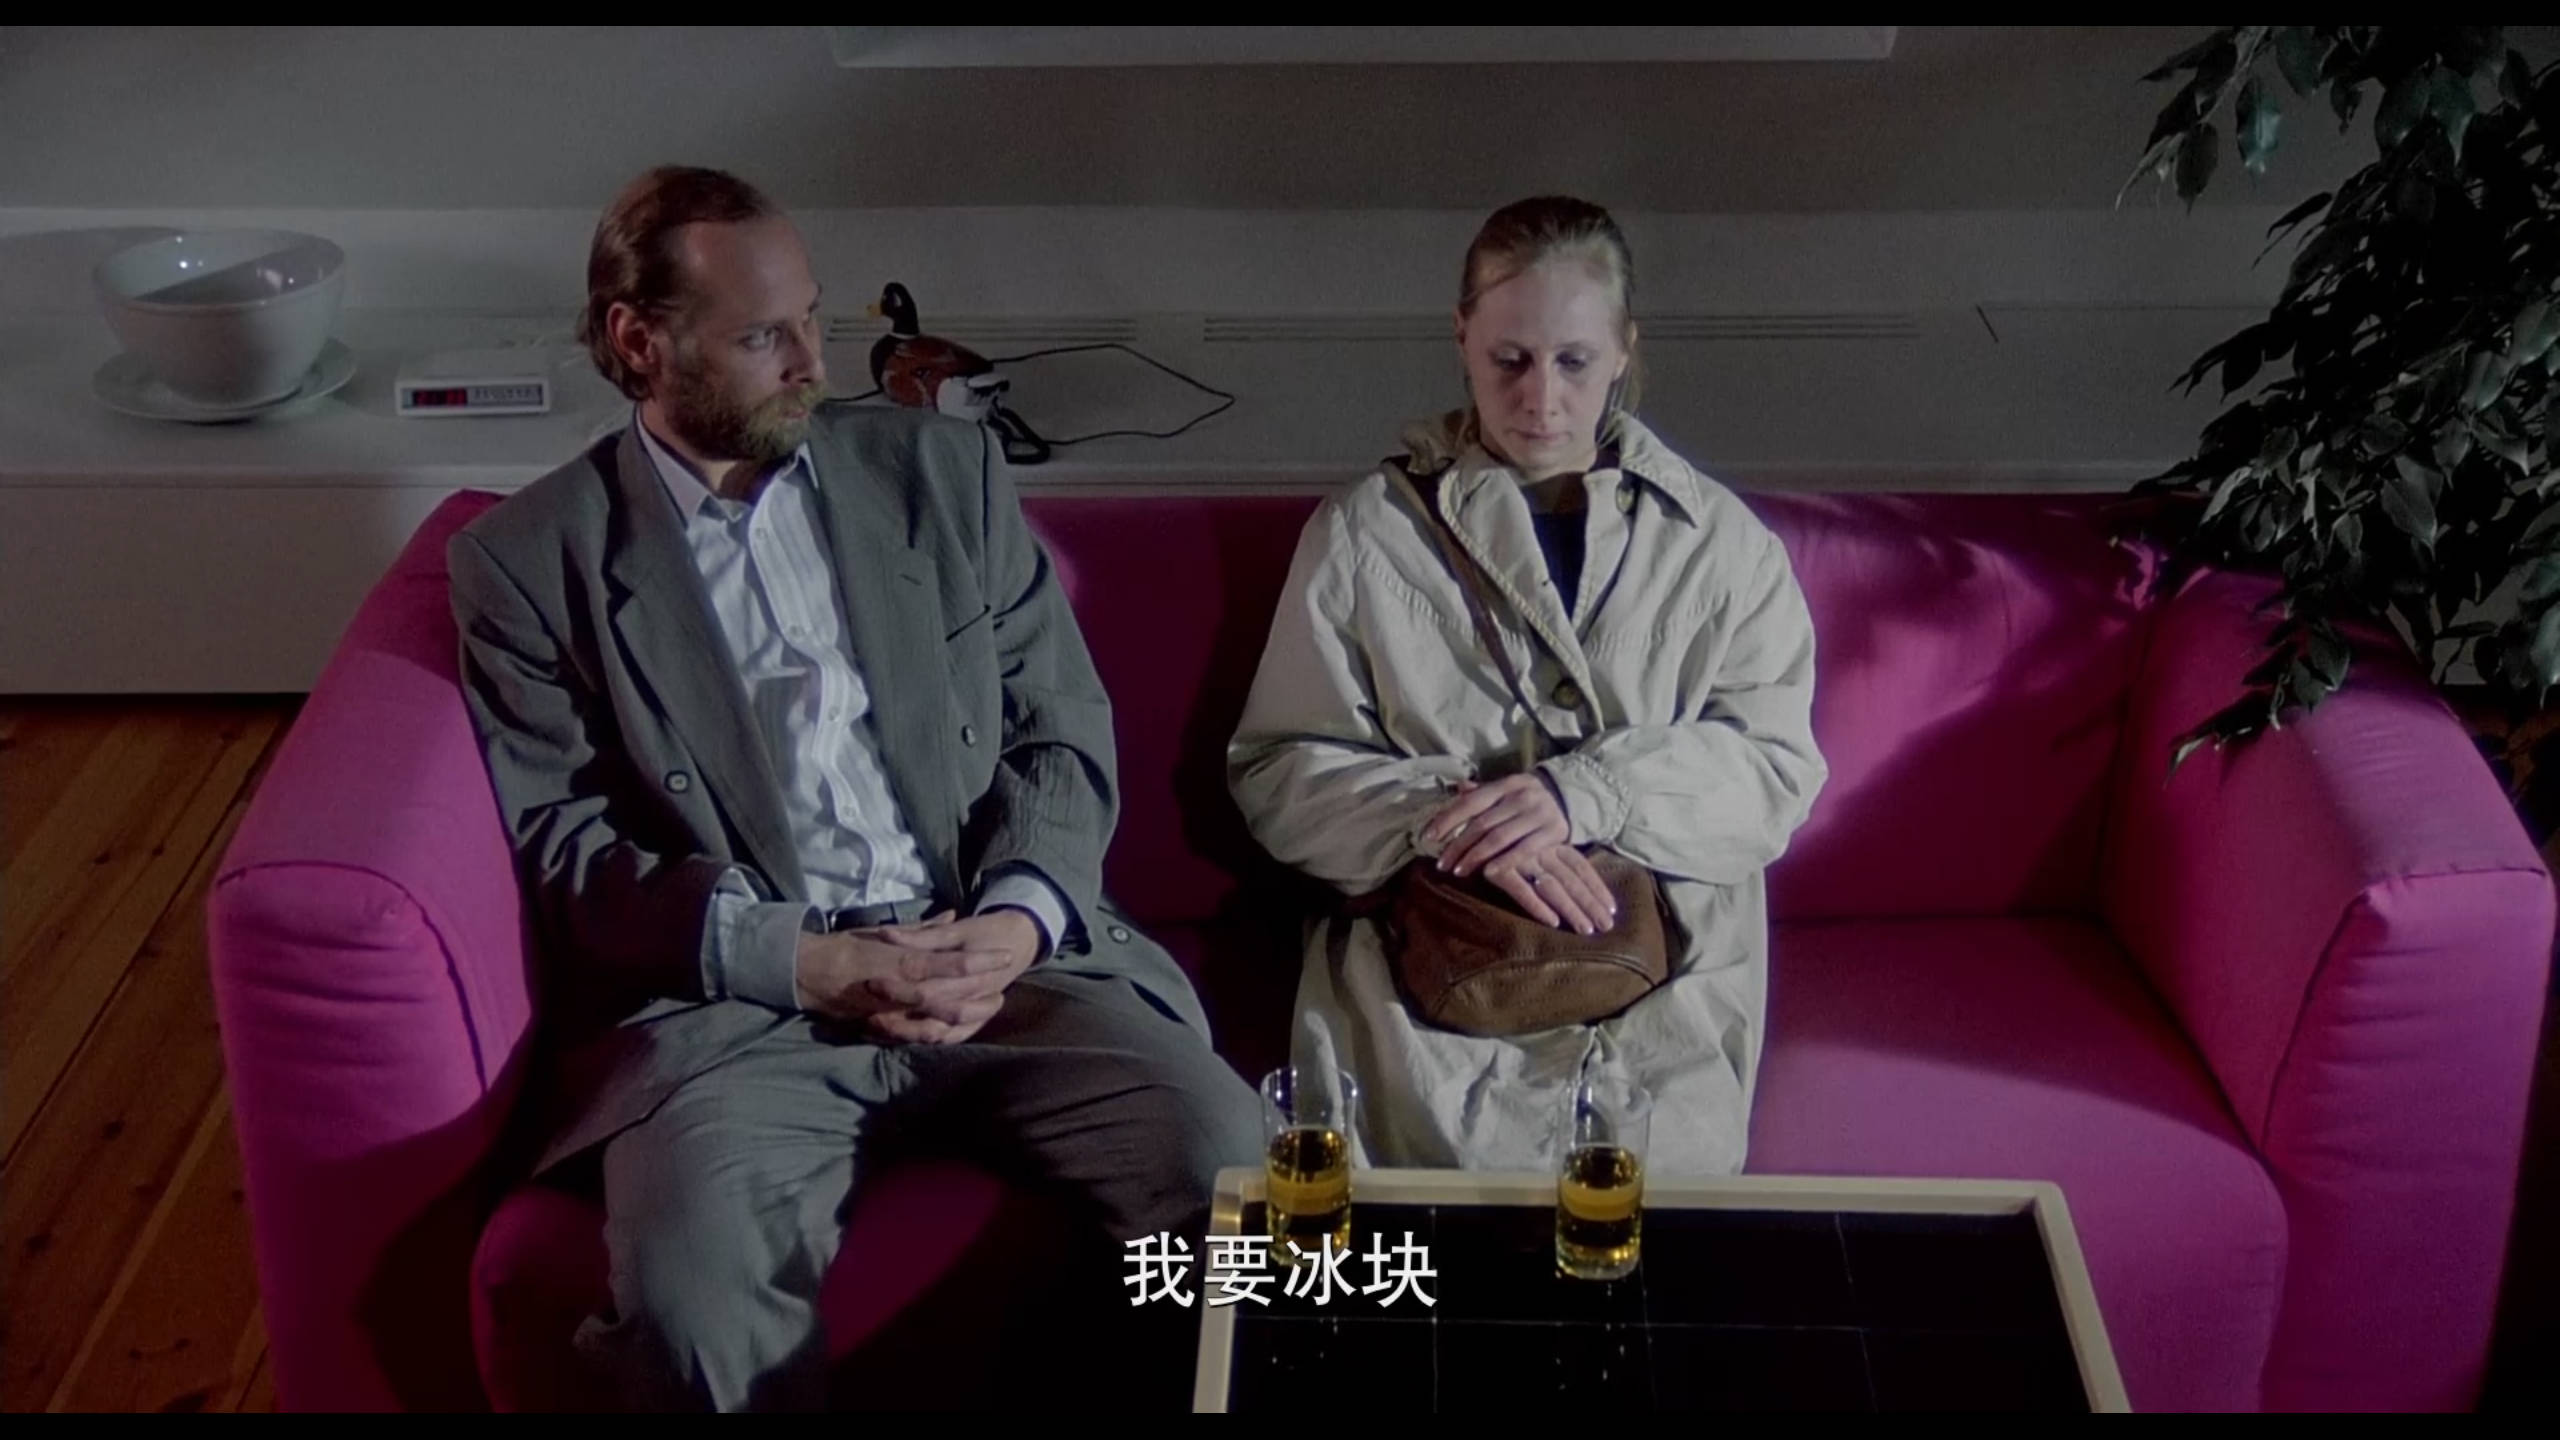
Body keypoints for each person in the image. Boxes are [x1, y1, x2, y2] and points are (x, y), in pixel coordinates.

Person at [448, 166, 1260, 1412]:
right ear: (639, 341)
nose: (811, 366)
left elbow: (1059, 727)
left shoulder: (944, 475)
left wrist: (1016, 921)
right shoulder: (527, 562)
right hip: (747, 1008)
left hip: (1000, 961)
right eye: (762, 338)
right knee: (693, 1310)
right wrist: (803, 961)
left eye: (812, 320)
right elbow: (570, 851)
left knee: (1246, 1194)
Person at [1228, 196, 1827, 1176]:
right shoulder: (1368, 533)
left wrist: (1587, 794)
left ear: (1624, 351)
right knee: (1433, 1174)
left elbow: (1775, 770)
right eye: (1510, 359)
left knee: (1655, 1172)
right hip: (1434, 938)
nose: (1540, 399)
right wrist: (1455, 822)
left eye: (1574, 361)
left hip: (1658, 944)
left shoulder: (1720, 544)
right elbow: (1279, 769)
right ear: (1462, 338)